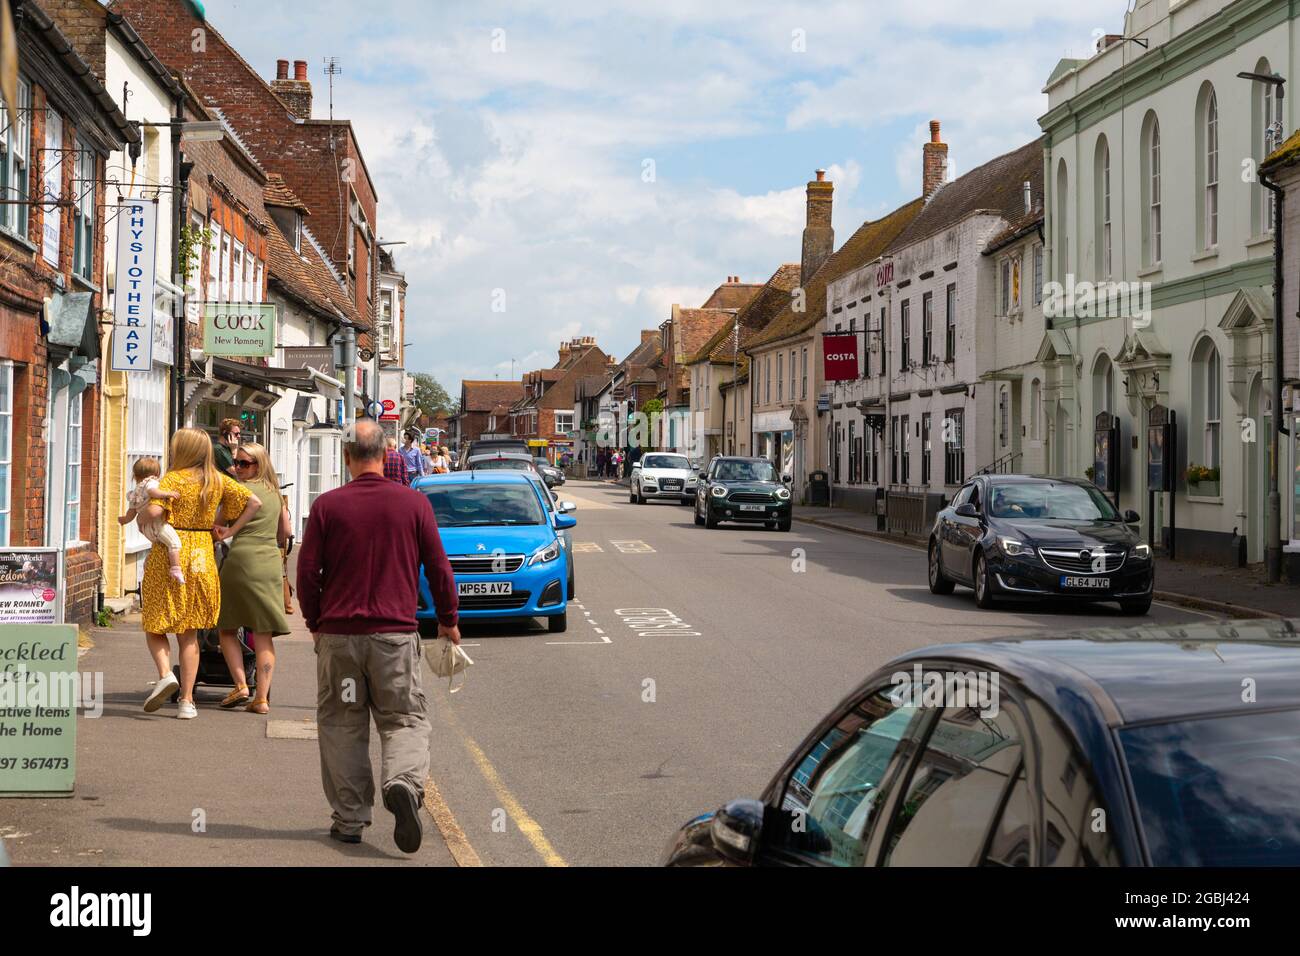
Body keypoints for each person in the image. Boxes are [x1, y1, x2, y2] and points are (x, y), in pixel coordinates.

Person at [297, 420, 461, 852]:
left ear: (347, 456)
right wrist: (448, 619)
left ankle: (350, 819)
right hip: (394, 638)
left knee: (342, 724)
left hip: (340, 639)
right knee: (403, 719)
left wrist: (316, 624)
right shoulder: (413, 505)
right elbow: (439, 569)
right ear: (387, 456)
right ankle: (403, 783)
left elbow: (306, 571)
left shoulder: (327, 506)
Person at [139, 428, 262, 719]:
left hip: (171, 552)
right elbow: (253, 503)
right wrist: (229, 530)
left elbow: (155, 514)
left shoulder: (173, 478)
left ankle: (167, 674)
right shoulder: (217, 479)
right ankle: (186, 702)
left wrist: (142, 516)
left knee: (155, 623)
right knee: (190, 632)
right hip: (202, 553)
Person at [215, 442, 292, 714]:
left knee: (226, 628)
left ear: (259, 464)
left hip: (240, 561)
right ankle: (261, 699)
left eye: (244, 464)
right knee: (263, 634)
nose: (237, 468)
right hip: (269, 562)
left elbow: (219, 526)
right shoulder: (275, 494)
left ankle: (240, 685)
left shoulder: (238, 491)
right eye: (237, 463)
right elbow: (285, 533)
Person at [118, 457, 184, 584]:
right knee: (174, 543)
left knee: (158, 546)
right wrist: (167, 494)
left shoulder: (136, 492)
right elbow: (153, 491)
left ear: (136, 475)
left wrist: (124, 520)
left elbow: (131, 513)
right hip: (157, 524)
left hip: (145, 528)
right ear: (156, 474)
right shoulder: (151, 482)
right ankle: (176, 569)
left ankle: (149, 562)